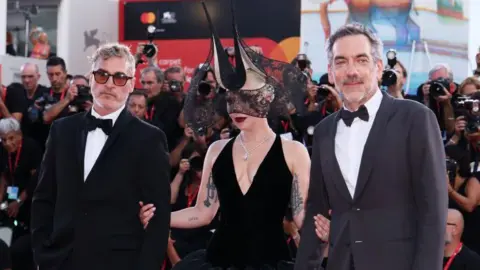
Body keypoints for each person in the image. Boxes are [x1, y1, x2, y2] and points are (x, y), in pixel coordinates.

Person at [139, 1, 309, 269]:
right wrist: (161, 215)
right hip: (218, 260)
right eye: (230, 99)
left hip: (272, 261)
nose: (235, 107)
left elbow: (301, 216)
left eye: (244, 98)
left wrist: (336, 227)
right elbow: (203, 212)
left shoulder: (293, 152)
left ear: (265, 97)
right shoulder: (217, 150)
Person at [295, 23, 447, 270]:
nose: (351, 71)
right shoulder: (324, 131)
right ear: (331, 73)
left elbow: (433, 211)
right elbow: (316, 209)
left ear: (377, 68)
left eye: (361, 60)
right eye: (341, 62)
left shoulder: (415, 118)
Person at [30, 43, 171, 270]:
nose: (110, 84)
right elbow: (44, 198)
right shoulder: (62, 130)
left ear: (131, 84)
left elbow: (158, 218)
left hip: (119, 262)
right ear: (91, 78)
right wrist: (43, 254)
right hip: (61, 260)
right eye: (102, 75)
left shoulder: (149, 138)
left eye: (119, 77)